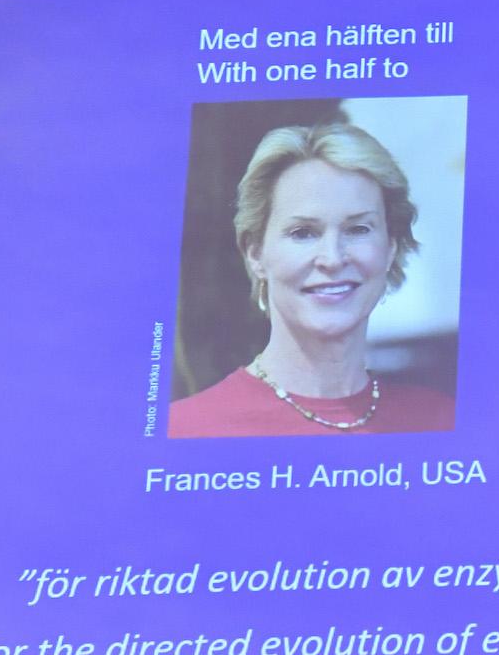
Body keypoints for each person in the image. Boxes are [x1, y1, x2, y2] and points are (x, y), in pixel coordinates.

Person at [170, 121, 455, 437]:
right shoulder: (190, 428)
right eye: (303, 233)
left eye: (358, 229)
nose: (332, 259)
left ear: (390, 248)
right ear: (255, 253)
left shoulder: (440, 419)